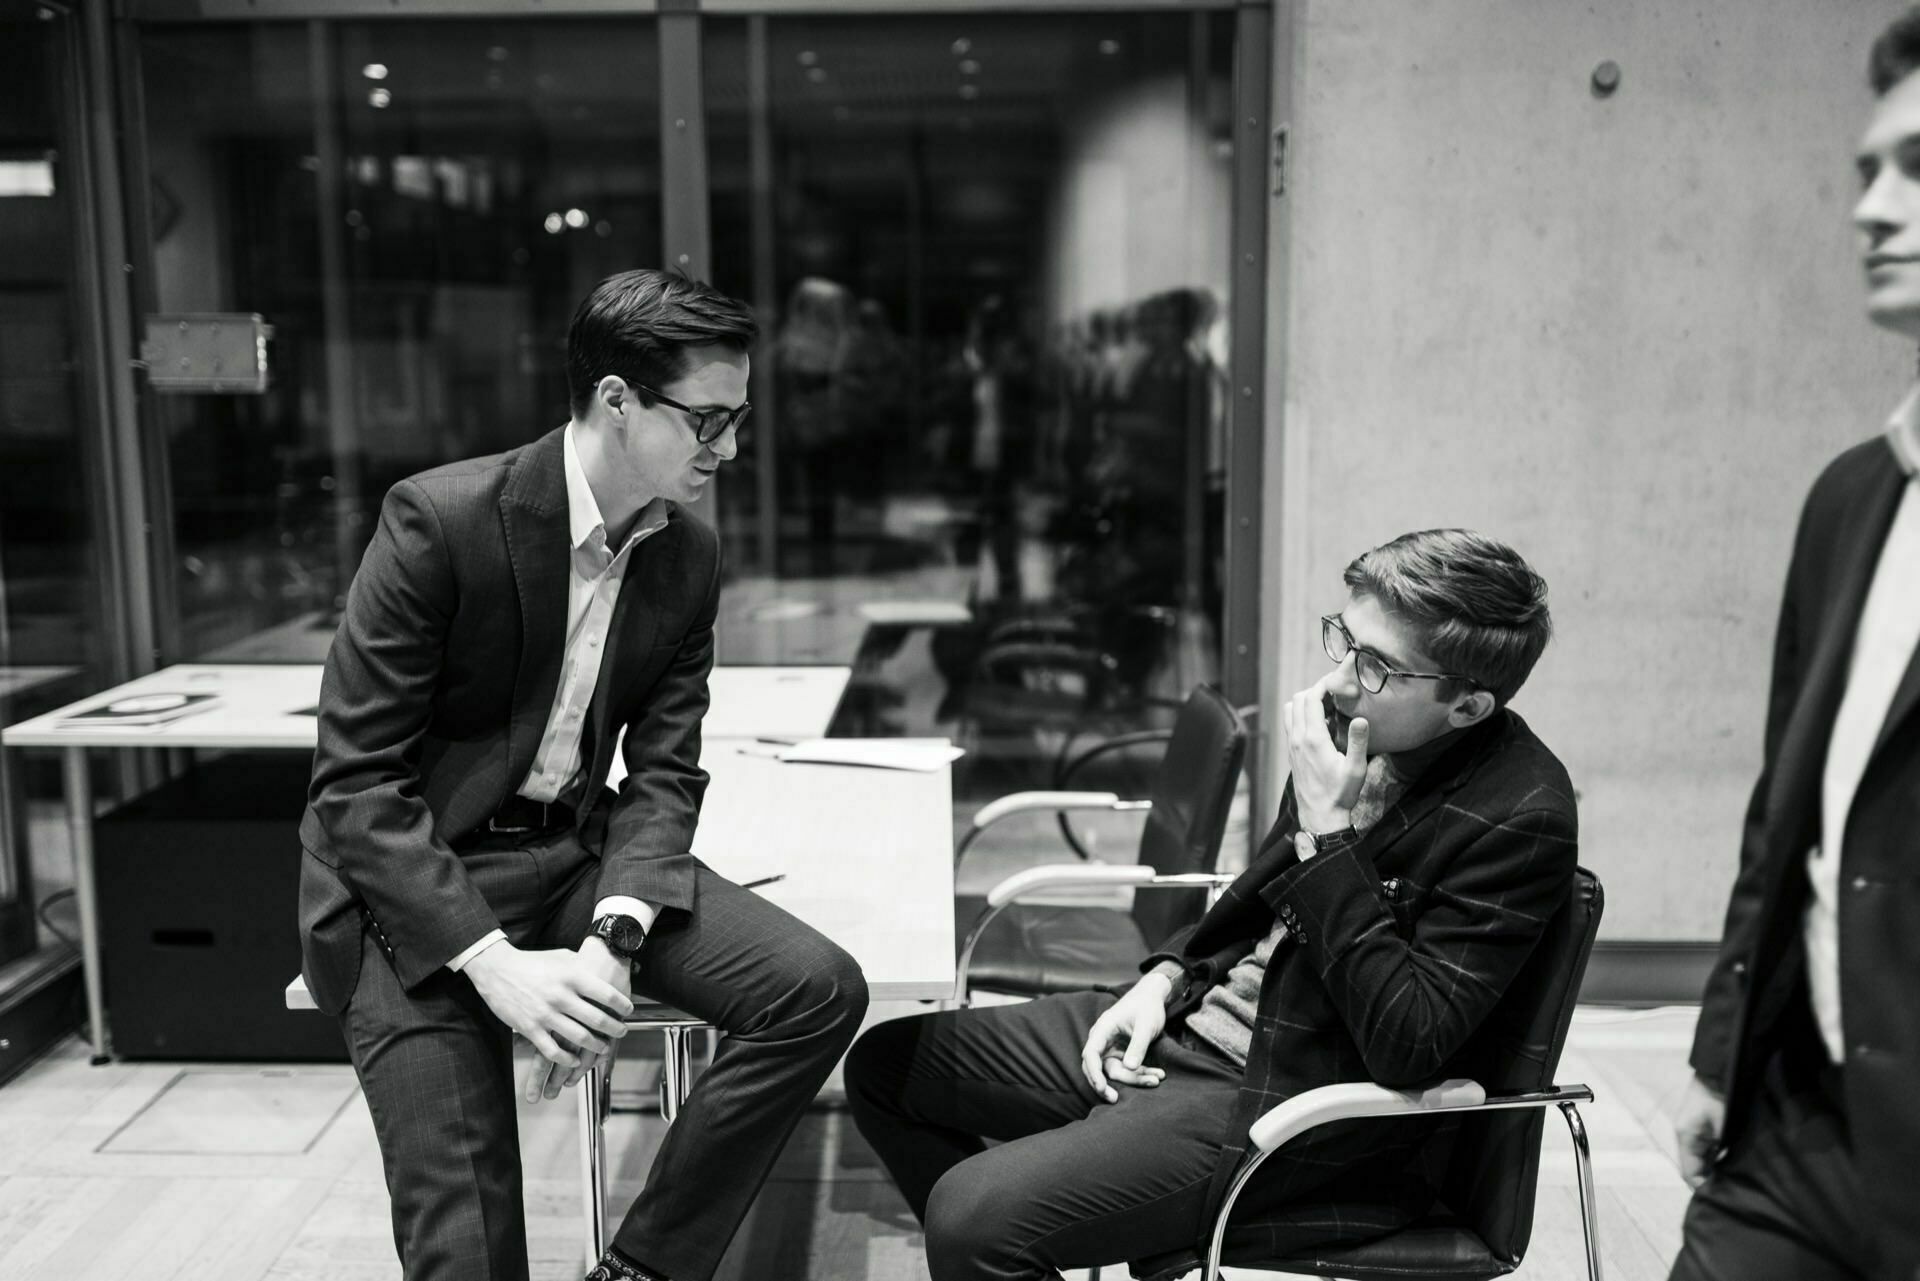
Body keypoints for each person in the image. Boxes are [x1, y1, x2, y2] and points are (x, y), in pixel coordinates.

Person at [297, 269, 868, 1281]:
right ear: (617, 401)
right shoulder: (442, 520)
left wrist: (616, 938)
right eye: (708, 421)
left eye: (738, 421)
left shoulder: (685, 554)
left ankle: (643, 1268)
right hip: (408, 891)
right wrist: (495, 965)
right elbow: (354, 786)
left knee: (815, 990)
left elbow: (664, 770)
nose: (727, 449)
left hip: (567, 858)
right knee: (468, 1255)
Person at [846, 529, 1576, 1281]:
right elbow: (1254, 904)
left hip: (1279, 1098)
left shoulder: (1522, 816)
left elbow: (1409, 1040)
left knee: (971, 1218)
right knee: (885, 1066)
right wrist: (1165, 978)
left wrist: (1329, 840)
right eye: (1344, 642)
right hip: (1191, 1027)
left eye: (1377, 666)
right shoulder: (1354, 730)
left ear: (1468, 705)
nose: (1340, 682)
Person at [1668, 14, 1920, 1280]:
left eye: (1918, 168)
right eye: (1867, 172)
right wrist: (1726, 1052)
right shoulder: (1852, 499)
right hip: (1796, 1137)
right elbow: (1789, 821)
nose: (1872, 210)